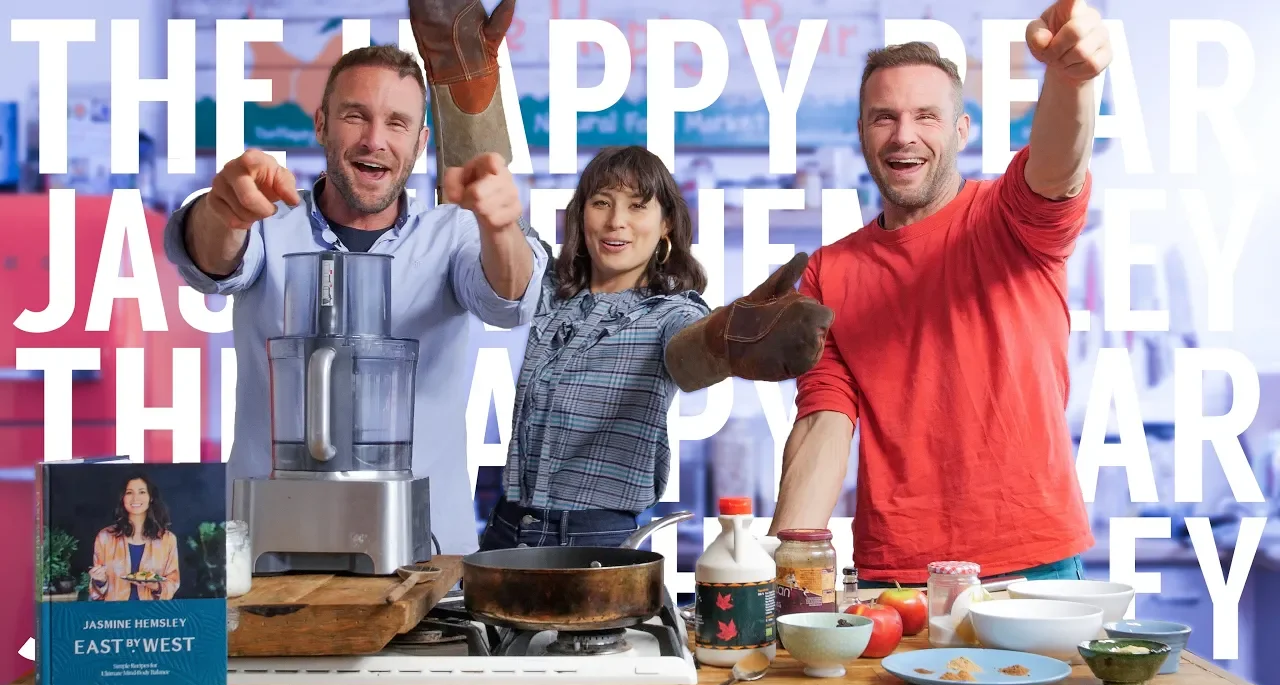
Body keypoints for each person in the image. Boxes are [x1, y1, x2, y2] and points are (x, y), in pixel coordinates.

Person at [768, 0, 1113, 587]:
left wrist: (1071, 79)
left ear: (961, 129)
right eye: (884, 117)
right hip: (896, 573)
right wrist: (778, 570)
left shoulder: (1010, 218)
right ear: (861, 132)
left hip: (1031, 564)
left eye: (927, 115)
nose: (904, 135)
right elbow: (824, 418)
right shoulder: (831, 269)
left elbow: (1057, 168)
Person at [162, 42, 546, 555]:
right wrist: (222, 212)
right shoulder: (269, 226)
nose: (374, 140)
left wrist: (501, 228)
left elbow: (510, 299)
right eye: (355, 116)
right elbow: (211, 263)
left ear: (420, 141)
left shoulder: (452, 236)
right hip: (267, 562)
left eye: (397, 123)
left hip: (424, 565)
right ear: (321, 124)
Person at [480, 146, 835, 550]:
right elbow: (507, 237)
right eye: (601, 203)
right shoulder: (549, 290)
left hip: (597, 543)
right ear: (582, 214)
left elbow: (690, 353)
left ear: (666, 224)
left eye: (637, 207)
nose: (617, 222)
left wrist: (729, 339)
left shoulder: (671, 313)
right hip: (504, 534)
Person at [88, 476, 180, 601]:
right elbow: (97, 594)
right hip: (115, 616)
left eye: (142, 492)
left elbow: (173, 583)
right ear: (123, 498)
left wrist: (155, 585)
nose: (135, 498)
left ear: (151, 498)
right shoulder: (105, 537)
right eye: (129, 493)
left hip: (152, 616)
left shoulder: (167, 539)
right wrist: (99, 581)